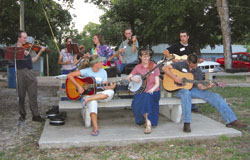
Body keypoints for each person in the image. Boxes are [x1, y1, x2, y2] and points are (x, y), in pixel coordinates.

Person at [162, 54, 247, 133]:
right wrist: (175, 78)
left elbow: (200, 86)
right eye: (192, 65)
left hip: (194, 90)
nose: (194, 67)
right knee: (186, 93)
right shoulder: (180, 64)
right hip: (180, 90)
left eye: (195, 65)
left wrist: (207, 87)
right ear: (188, 62)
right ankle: (187, 123)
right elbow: (164, 68)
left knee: (215, 96)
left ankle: (232, 120)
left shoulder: (198, 70)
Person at [67, 55, 116, 136]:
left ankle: (87, 100)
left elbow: (104, 86)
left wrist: (111, 86)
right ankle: (96, 128)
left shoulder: (103, 72)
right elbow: (70, 75)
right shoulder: (86, 71)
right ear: (95, 64)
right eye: (100, 61)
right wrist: (79, 86)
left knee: (111, 92)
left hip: (100, 95)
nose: (102, 63)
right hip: (90, 94)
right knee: (93, 103)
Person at [163, 30, 202, 113]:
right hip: (177, 69)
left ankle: (192, 105)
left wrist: (199, 60)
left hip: (187, 69)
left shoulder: (191, 47)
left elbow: (197, 59)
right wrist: (172, 58)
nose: (182, 38)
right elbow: (165, 51)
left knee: (192, 81)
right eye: (181, 36)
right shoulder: (176, 45)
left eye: (184, 36)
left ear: (188, 37)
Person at [126, 49, 160, 134]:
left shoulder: (154, 66)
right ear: (140, 57)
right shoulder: (137, 67)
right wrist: (133, 78)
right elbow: (128, 77)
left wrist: (152, 89)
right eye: (144, 56)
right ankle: (144, 120)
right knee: (136, 103)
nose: (146, 58)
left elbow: (157, 83)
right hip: (141, 92)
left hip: (153, 92)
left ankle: (148, 125)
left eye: (148, 56)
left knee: (147, 98)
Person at [16, 30, 45, 122]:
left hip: (30, 72)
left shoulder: (28, 48)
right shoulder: (15, 49)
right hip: (20, 72)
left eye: (26, 37)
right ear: (19, 38)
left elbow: (33, 60)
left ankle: (35, 115)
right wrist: (21, 52)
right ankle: (22, 114)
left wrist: (40, 52)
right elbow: (11, 58)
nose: (26, 39)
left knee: (33, 95)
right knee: (21, 95)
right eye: (24, 38)